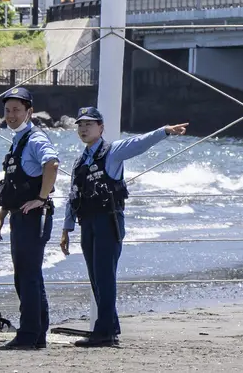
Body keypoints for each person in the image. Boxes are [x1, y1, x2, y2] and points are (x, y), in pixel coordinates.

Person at [59, 107, 188, 347]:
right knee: (96, 277)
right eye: (80, 125)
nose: (84, 128)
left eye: (89, 124)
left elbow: (138, 143)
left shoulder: (112, 152)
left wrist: (165, 132)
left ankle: (104, 332)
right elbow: (73, 194)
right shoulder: (80, 161)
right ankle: (110, 326)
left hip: (107, 221)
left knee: (105, 275)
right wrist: (66, 229)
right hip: (87, 222)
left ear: (101, 128)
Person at [0, 86, 60, 350]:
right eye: (7, 110)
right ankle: (37, 334)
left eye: (17, 110)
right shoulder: (18, 140)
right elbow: (12, 185)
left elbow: (52, 163)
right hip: (19, 216)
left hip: (34, 217)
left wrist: (41, 198)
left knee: (27, 277)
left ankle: (28, 334)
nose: (11, 115)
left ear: (29, 112)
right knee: (29, 276)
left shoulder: (34, 139)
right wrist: (1, 216)